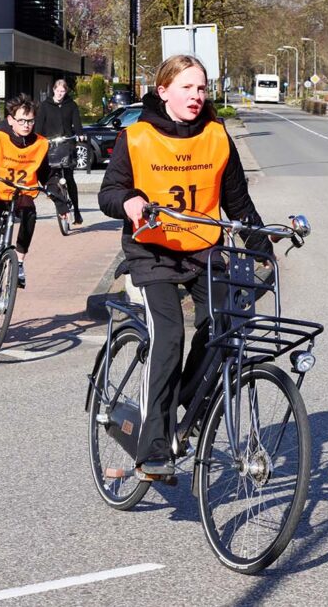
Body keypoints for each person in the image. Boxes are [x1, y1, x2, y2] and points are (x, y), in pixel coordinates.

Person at [98, 54, 274, 480]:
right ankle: (153, 448)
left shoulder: (216, 137)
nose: (197, 96)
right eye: (187, 88)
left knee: (225, 326)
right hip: (153, 251)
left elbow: (238, 203)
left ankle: (188, 411)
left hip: (203, 249)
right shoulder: (135, 137)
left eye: (202, 88)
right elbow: (109, 193)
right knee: (170, 333)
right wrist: (128, 201)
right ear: (163, 91)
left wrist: (261, 245)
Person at [0, 93, 71, 328]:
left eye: (30, 121)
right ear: (11, 120)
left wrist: (60, 203)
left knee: (30, 214)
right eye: (21, 121)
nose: (26, 125)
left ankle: (18, 261)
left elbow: (47, 175)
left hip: (21, 194)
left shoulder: (40, 143)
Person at [36, 79, 86, 224]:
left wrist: (80, 133)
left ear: (66, 92)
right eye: (58, 91)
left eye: (63, 91)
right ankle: (61, 205)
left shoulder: (71, 105)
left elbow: (77, 122)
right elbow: (39, 124)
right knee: (51, 177)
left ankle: (76, 211)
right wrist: (38, 139)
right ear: (53, 90)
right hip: (51, 144)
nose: (60, 94)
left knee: (69, 178)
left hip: (67, 143)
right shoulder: (45, 105)